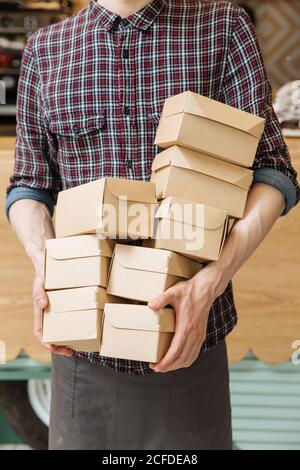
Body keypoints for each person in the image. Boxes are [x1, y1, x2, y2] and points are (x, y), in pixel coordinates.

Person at [5, 0, 299, 450]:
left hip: (190, 340)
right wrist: (48, 264)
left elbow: (273, 171)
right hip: (85, 349)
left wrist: (212, 281)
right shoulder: (47, 48)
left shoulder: (222, 27)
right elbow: (29, 186)